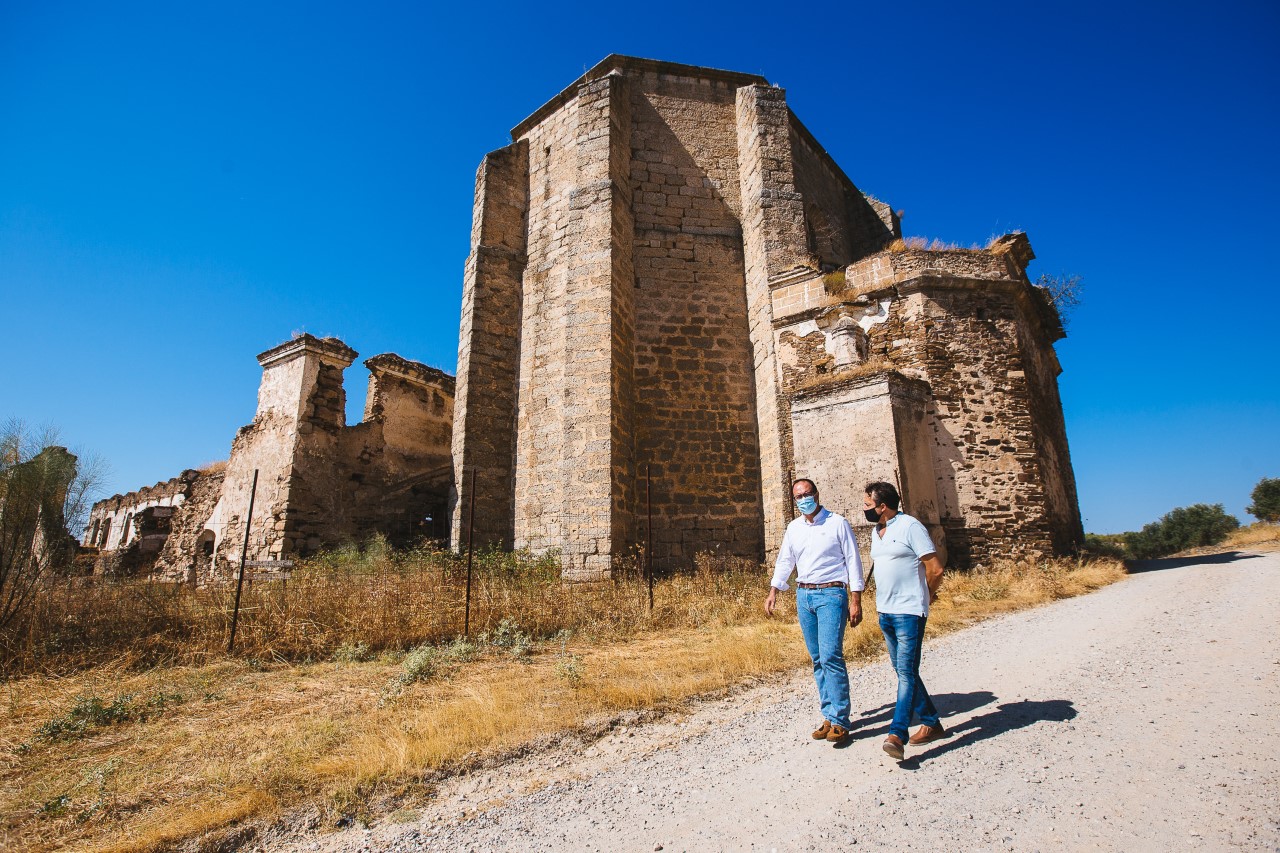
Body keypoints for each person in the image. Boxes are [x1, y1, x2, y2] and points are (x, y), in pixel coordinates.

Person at [765, 478, 865, 744]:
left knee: (832, 655)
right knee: (818, 658)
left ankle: (841, 720)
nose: (804, 499)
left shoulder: (837, 523)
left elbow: (853, 560)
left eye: (807, 494)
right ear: (794, 501)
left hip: (832, 593)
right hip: (804, 595)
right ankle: (829, 715)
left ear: (817, 494)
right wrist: (774, 590)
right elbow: (786, 559)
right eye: (798, 496)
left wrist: (856, 599)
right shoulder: (794, 527)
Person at [863, 481, 947, 760]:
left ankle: (897, 733)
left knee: (907, 672)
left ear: (882, 506)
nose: (864, 509)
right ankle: (932, 722)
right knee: (903, 670)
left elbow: (935, 568)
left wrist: (928, 595)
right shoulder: (878, 532)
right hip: (885, 610)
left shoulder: (911, 526)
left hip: (910, 610)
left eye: (867, 504)